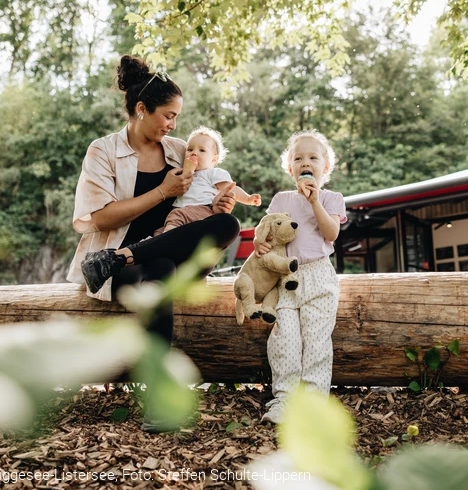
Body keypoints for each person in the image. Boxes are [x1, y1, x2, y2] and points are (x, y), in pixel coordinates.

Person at [67, 56, 240, 430]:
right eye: (167, 115)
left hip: (169, 249)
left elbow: (210, 188)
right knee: (159, 270)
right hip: (136, 270)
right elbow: (98, 218)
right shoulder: (104, 151)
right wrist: (162, 191)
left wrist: (218, 201)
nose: (173, 124)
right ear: (141, 109)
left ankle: (119, 257)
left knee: (228, 222)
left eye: (176, 117)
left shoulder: (179, 149)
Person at [253, 130, 346, 424]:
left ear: (325, 167)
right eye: (298, 158)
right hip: (286, 278)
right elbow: (266, 233)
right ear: (290, 169)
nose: (306, 162)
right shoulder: (281, 199)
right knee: (284, 339)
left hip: (318, 276)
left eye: (313, 158)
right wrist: (260, 244)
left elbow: (331, 234)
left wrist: (315, 201)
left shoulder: (332, 198)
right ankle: (284, 399)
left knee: (317, 341)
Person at [158, 126, 260, 234]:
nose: (194, 153)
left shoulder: (212, 173)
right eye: (190, 149)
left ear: (214, 159)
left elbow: (231, 189)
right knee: (160, 229)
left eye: (202, 150)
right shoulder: (182, 173)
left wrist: (248, 199)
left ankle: (166, 241)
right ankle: (154, 242)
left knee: (175, 217)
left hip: (203, 210)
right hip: (183, 213)